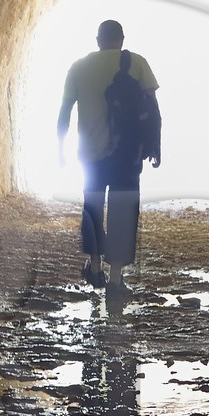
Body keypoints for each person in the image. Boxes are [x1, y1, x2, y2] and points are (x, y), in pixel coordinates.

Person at [57, 20, 161, 291]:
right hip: (127, 154)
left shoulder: (78, 67)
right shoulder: (137, 63)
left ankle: (94, 267)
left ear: (97, 40)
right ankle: (115, 277)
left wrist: (60, 149)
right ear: (122, 39)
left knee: (92, 207)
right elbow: (153, 109)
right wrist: (155, 146)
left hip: (90, 153)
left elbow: (65, 111)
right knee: (123, 210)